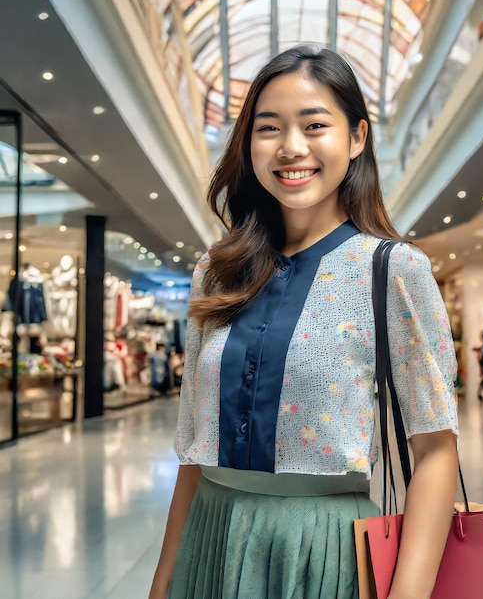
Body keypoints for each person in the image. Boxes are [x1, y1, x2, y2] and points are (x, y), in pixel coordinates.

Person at [150, 45, 459, 599]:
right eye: (269, 128)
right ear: (249, 144)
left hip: (322, 548)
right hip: (210, 538)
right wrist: (165, 582)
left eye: (315, 124)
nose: (292, 147)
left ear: (356, 138)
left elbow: (436, 449)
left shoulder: (392, 270)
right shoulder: (216, 272)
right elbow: (194, 456)